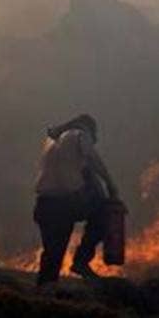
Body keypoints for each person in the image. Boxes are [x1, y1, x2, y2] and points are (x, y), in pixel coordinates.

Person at [33, 113, 122, 285]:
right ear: (90, 130)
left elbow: (78, 169)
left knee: (53, 253)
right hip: (67, 203)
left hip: (44, 204)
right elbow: (93, 160)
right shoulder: (80, 134)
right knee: (105, 212)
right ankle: (81, 261)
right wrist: (110, 184)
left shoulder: (52, 141)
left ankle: (45, 288)